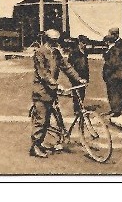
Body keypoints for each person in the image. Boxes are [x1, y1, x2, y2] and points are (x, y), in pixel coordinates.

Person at [29, 29, 85, 158]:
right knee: (41, 120)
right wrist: (57, 84)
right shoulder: (40, 53)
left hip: (51, 91)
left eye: (56, 41)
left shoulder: (56, 53)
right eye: (53, 41)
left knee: (49, 117)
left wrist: (78, 78)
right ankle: (35, 146)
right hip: (41, 91)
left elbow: (67, 67)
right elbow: (44, 74)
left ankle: (45, 141)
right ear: (47, 40)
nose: (55, 43)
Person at [101, 27, 122, 117]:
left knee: (114, 92)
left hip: (115, 74)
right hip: (119, 73)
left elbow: (112, 63)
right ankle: (120, 108)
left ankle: (116, 110)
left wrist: (107, 73)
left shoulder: (115, 49)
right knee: (119, 91)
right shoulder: (114, 48)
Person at [66, 36, 91, 116]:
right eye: (83, 43)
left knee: (82, 92)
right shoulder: (74, 52)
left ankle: (81, 107)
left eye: (85, 43)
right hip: (76, 75)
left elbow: (86, 65)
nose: (84, 45)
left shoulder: (85, 51)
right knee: (76, 93)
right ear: (79, 42)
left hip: (84, 75)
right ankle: (76, 109)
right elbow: (69, 64)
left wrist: (87, 77)